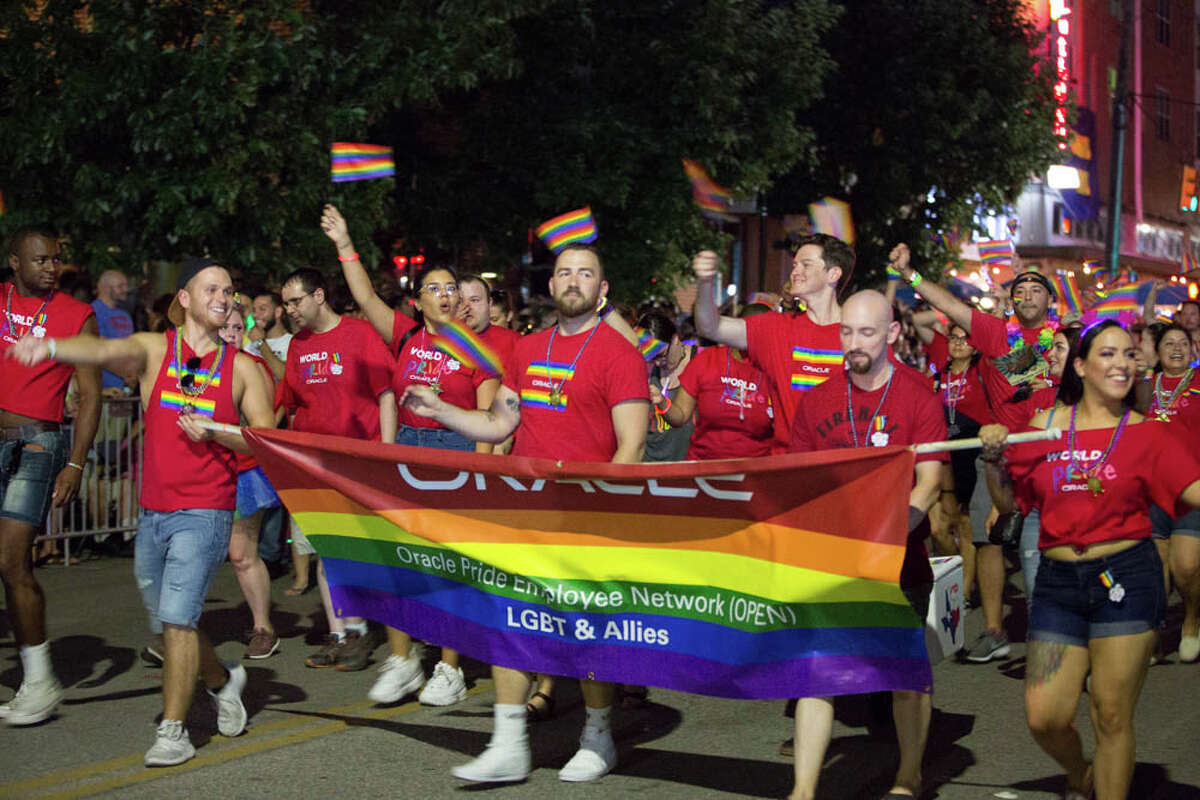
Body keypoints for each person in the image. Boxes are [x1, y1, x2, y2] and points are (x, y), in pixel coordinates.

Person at [10, 256, 275, 763]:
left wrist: (218, 432)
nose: (224, 298)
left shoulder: (242, 368)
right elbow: (105, 348)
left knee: (177, 618)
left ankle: (173, 732)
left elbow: (264, 442)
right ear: (185, 298)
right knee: (173, 618)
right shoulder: (157, 350)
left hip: (207, 511)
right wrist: (48, 346)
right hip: (153, 512)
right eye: (212, 289)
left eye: (229, 291)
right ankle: (223, 682)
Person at [402, 242, 648, 784]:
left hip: (587, 517)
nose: (573, 280)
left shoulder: (618, 354)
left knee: (584, 631)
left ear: (602, 290)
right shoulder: (530, 348)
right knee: (508, 621)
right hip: (525, 512)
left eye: (586, 273)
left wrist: (603, 515)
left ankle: (598, 735)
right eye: (564, 272)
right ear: (551, 285)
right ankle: (509, 742)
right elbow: (498, 424)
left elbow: (630, 449)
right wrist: (440, 408)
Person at [979, 319, 1200, 800]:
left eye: (1128, 354)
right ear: (1080, 365)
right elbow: (1010, 502)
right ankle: (1080, 772)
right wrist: (994, 461)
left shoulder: (1148, 435)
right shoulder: (1043, 429)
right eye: (1108, 354)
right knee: (1044, 715)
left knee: (1111, 712)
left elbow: (1194, 491)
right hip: (1058, 583)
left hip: (1127, 579)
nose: (1122, 363)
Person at [787, 290, 945, 800]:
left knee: (904, 672)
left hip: (900, 559)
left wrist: (891, 534)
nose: (855, 343)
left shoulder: (918, 395)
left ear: (893, 333)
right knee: (817, 672)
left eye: (868, 332)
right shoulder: (816, 402)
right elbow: (801, 482)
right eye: (848, 332)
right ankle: (804, 789)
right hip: (833, 561)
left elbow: (930, 481)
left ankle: (908, 775)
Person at [893, 246, 1059, 664]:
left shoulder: (1065, 339)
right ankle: (993, 630)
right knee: (986, 540)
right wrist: (911, 274)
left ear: (1050, 301)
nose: (1026, 291)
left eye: (1036, 287)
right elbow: (946, 304)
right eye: (1019, 286)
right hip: (998, 455)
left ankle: (1058, 631)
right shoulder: (992, 332)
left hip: (1052, 456)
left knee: (1051, 545)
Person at [0, 225, 101, 726]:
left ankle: (40, 682)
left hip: (39, 443)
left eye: (54, 260)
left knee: (12, 560)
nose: (49, 267)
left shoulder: (76, 316)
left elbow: (91, 396)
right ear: (14, 262)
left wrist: (76, 462)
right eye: (39, 260)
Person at [276, 267, 396, 672]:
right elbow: (293, 408)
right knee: (328, 550)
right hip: (316, 466)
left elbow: (385, 394)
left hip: (360, 462)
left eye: (296, 301)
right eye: (286, 303)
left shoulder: (360, 335)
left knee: (357, 551)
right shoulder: (297, 346)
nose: (290, 309)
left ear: (320, 296)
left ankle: (363, 630)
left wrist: (388, 452)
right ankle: (341, 633)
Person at [692, 234, 850, 447]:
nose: (795, 272)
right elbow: (710, 327)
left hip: (841, 468)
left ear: (833, 274)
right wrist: (705, 283)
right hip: (786, 470)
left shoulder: (859, 333)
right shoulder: (774, 327)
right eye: (794, 265)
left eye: (806, 265)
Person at [218, 305, 283, 659]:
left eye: (235, 328)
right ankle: (175, 628)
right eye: (223, 328)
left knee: (242, 553)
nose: (229, 335)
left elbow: (263, 420)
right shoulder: (196, 364)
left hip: (243, 469)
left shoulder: (252, 367)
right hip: (202, 470)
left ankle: (263, 627)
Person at [1138, 323, 1200, 662]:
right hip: (1151, 492)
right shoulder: (1144, 388)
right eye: (1169, 344)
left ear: (1192, 349)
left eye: (1183, 343)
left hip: (1192, 491)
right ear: (1157, 352)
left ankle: (1192, 618)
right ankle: (1156, 633)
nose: (1177, 349)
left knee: (1186, 567)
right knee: (1155, 568)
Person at [657, 303, 775, 460]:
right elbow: (680, 416)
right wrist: (662, 404)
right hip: (704, 468)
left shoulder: (775, 370)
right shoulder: (708, 360)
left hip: (754, 473)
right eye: (752, 330)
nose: (757, 337)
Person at [458, 273, 520, 365]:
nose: (466, 307)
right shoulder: (438, 342)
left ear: (489, 303)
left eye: (474, 300)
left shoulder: (515, 343)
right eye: (460, 301)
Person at [91, 270, 135, 391]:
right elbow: (99, 349)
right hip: (104, 388)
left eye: (126, 285)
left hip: (126, 387)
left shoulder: (125, 315)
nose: (125, 289)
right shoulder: (93, 312)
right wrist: (125, 374)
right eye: (120, 286)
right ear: (105, 288)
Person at [247, 291, 291, 380]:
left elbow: (285, 376)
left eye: (262, 309)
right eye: (254, 310)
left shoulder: (292, 342)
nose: (255, 315)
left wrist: (260, 343)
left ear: (278, 312)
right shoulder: (249, 344)